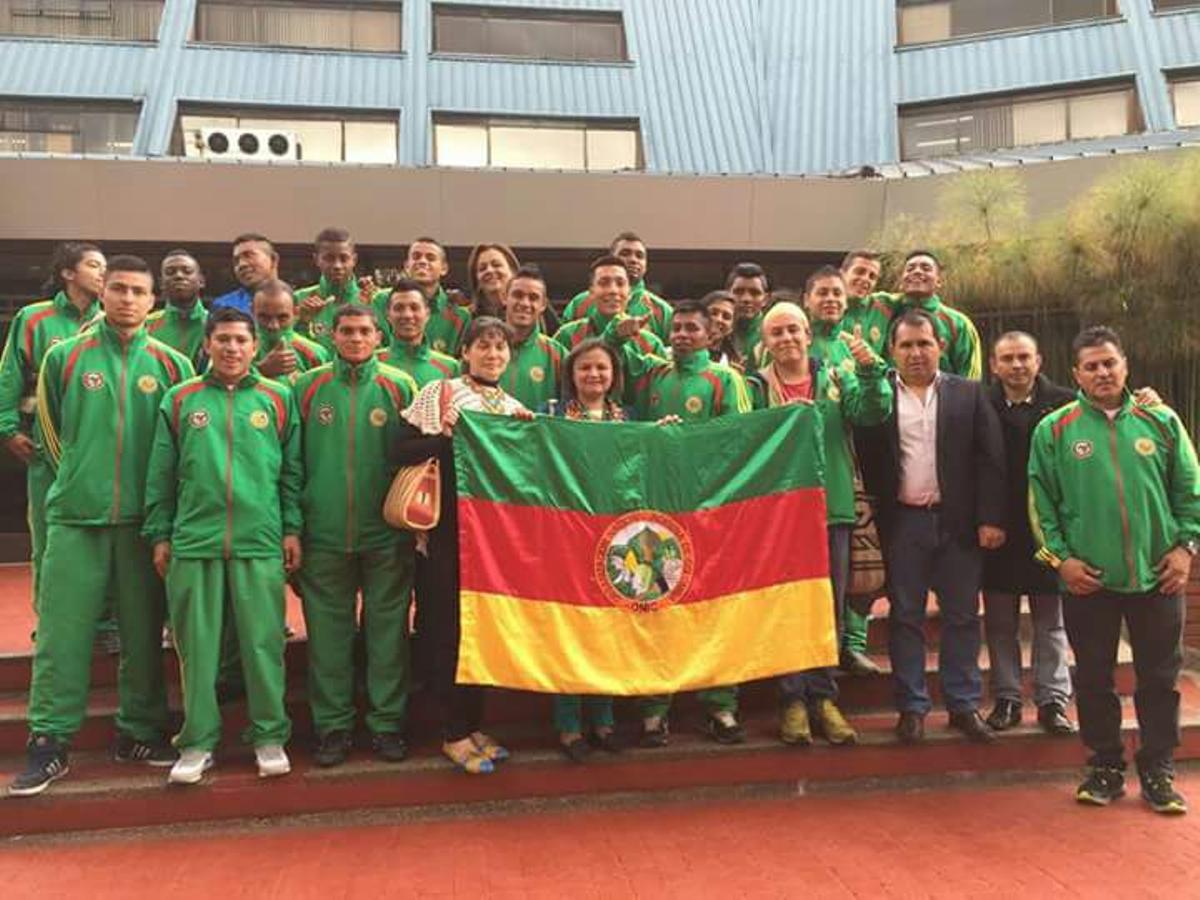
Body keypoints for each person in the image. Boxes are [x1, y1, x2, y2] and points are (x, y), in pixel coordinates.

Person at [8, 256, 194, 797]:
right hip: (76, 519)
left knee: (142, 633)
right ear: (103, 292)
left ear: (152, 300)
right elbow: (51, 434)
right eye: (119, 289)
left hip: (141, 524)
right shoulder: (63, 359)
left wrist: (157, 512)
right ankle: (49, 742)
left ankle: (138, 732)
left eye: (139, 291)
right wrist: (81, 485)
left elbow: (178, 446)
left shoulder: (171, 363)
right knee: (64, 634)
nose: (128, 299)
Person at [1029, 326, 1200, 814]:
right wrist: (1061, 562)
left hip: (1159, 577)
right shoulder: (1055, 430)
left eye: (1110, 363)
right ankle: (1104, 764)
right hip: (1090, 581)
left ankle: (1159, 768)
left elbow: (1191, 491)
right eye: (1092, 366)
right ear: (1076, 374)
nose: (1102, 372)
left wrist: (1186, 549)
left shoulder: (1161, 420)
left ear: (1124, 365)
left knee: (1160, 677)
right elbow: (1041, 507)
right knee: (1093, 678)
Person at [143, 307, 302, 785]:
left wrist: (291, 528)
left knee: (262, 643)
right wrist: (161, 532)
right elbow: (160, 475)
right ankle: (197, 743)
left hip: (259, 540)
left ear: (255, 347)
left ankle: (269, 736)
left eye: (240, 340)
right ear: (207, 345)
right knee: (198, 648)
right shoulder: (179, 399)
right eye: (223, 340)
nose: (232, 348)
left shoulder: (277, 398)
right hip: (195, 541)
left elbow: (291, 473)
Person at [746, 303, 893, 746]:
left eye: (793, 329)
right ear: (765, 343)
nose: (786, 338)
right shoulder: (754, 387)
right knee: (788, 606)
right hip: (780, 514)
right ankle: (792, 700)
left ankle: (824, 698)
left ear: (809, 333)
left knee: (827, 606)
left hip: (834, 511)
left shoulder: (835, 377)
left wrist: (870, 372)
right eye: (776, 333)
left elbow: (872, 413)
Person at [858, 308, 1005, 746]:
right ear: (892, 351)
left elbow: (991, 458)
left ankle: (963, 705)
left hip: (958, 525)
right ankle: (912, 708)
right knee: (906, 617)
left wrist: (991, 518)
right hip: (904, 524)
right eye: (906, 345)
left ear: (940, 346)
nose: (916, 352)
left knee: (961, 617)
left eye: (924, 343)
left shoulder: (968, 393)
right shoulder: (879, 397)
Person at [393, 317, 532, 774]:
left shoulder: (512, 405)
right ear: (465, 350)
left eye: (500, 347)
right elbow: (400, 450)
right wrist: (444, 438)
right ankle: (451, 732)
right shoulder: (441, 392)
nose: (492, 354)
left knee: (480, 631)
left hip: (489, 542)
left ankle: (473, 724)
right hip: (444, 533)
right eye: (483, 346)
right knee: (444, 632)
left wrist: (530, 434)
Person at [616, 299, 750, 744]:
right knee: (656, 605)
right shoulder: (653, 375)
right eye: (676, 328)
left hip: (708, 511)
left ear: (711, 335)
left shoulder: (724, 380)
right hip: (656, 510)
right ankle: (655, 708)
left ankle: (721, 706)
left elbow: (738, 441)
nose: (682, 336)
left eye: (692, 329)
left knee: (715, 608)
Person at [292, 304, 419, 767]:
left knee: (387, 635)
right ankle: (333, 727)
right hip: (323, 535)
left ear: (378, 335)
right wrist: (294, 525)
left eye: (365, 330)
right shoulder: (306, 389)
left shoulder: (399, 386)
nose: (356, 338)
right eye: (347, 330)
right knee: (328, 638)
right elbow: (290, 465)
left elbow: (418, 462)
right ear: (332, 335)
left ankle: (386, 725)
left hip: (386, 534)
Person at [0, 241, 105, 615]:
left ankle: (103, 621)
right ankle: (51, 620)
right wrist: (8, 429)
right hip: (46, 449)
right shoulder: (33, 318)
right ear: (67, 273)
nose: (102, 273)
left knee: (103, 540)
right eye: (94, 265)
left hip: (100, 451)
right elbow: (9, 377)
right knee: (49, 538)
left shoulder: (112, 319)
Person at [983, 332, 1076, 736]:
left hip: (1049, 532)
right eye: (1008, 358)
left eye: (1024, 357)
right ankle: (1006, 698)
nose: (1017, 365)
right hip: (998, 532)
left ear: (1039, 361)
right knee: (1000, 624)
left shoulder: (1067, 403)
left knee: (1049, 623)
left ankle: (1053, 700)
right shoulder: (980, 404)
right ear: (994, 365)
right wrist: (984, 520)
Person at [545, 339, 627, 760]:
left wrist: (664, 435)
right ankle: (568, 725)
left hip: (613, 537)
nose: (593, 376)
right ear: (570, 375)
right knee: (569, 629)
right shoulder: (552, 415)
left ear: (614, 375)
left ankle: (604, 718)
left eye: (602, 369)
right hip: (565, 537)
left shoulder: (627, 419)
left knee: (607, 629)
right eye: (585, 369)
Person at [800, 267, 880, 676]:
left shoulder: (855, 351)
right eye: (822, 293)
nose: (830, 299)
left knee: (846, 577)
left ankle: (842, 653)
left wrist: (868, 373)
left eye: (837, 293)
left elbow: (872, 412)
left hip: (840, 480)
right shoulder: (783, 345)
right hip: (789, 490)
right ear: (806, 300)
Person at [878, 251, 982, 380]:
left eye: (926, 268)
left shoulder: (959, 324)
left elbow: (970, 378)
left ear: (938, 281)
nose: (916, 272)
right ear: (901, 281)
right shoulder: (882, 313)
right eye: (910, 269)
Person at [562, 232, 673, 341]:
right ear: (612, 258)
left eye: (639, 256)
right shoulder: (580, 303)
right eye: (625, 253)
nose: (633, 260)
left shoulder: (662, 311)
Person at [294, 226, 389, 352]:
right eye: (329, 258)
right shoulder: (299, 299)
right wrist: (302, 322)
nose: (337, 265)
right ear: (316, 259)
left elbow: (389, 348)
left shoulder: (376, 299)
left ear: (354, 260)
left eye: (344, 258)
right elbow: (291, 350)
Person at [554, 256, 665, 357]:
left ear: (629, 292)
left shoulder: (651, 344)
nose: (613, 290)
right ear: (591, 292)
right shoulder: (567, 336)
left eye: (620, 283)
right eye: (604, 283)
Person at [501, 265, 566, 409]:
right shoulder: (484, 347)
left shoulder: (557, 354)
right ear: (504, 298)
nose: (525, 303)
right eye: (517, 295)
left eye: (533, 298)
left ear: (543, 305)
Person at [378, 278, 463, 387]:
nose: (407, 315)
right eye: (399, 308)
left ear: (427, 314)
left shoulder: (451, 367)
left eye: (414, 308)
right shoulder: (374, 363)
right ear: (388, 315)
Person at [252, 280, 329, 382]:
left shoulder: (315, 354)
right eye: (264, 317)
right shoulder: (239, 351)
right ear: (252, 311)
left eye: (282, 318)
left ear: (296, 313)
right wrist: (261, 371)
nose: (273, 326)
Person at [404, 237, 470, 356]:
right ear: (407, 266)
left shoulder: (460, 316)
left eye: (431, 258)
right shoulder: (383, 302)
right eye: (416, 257)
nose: (422, 261)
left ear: (444, 268)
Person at [147, 249, 208, 370]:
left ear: (201, 281)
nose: (179, 276)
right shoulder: (145, 325)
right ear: (161, 283)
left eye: (187, 271)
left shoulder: (214, 323)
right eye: (170, 272)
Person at [839, 250, 892, 357]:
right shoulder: (826, 307)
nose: (865, 279)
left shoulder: (884, 304)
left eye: (872, 276)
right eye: (860, 272)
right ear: (842, 274)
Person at [211, 233, 278, 316]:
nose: (241, 264)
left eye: (249, 256)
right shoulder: (224, 305)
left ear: (273, 260)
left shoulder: (295, 299)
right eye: (236, 261)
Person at [728, 262, 770, 363]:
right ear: (727, 294)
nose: (746, 299)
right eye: (739, 292)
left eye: (755, 293)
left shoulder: (774, 332)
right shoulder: (713, 333)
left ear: (765, 299)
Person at [702, 290, 743, 370]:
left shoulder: (733, 366)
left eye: (726, 317)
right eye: (713, 313)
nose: (719, 319)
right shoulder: (676, 353)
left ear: (731, 328)